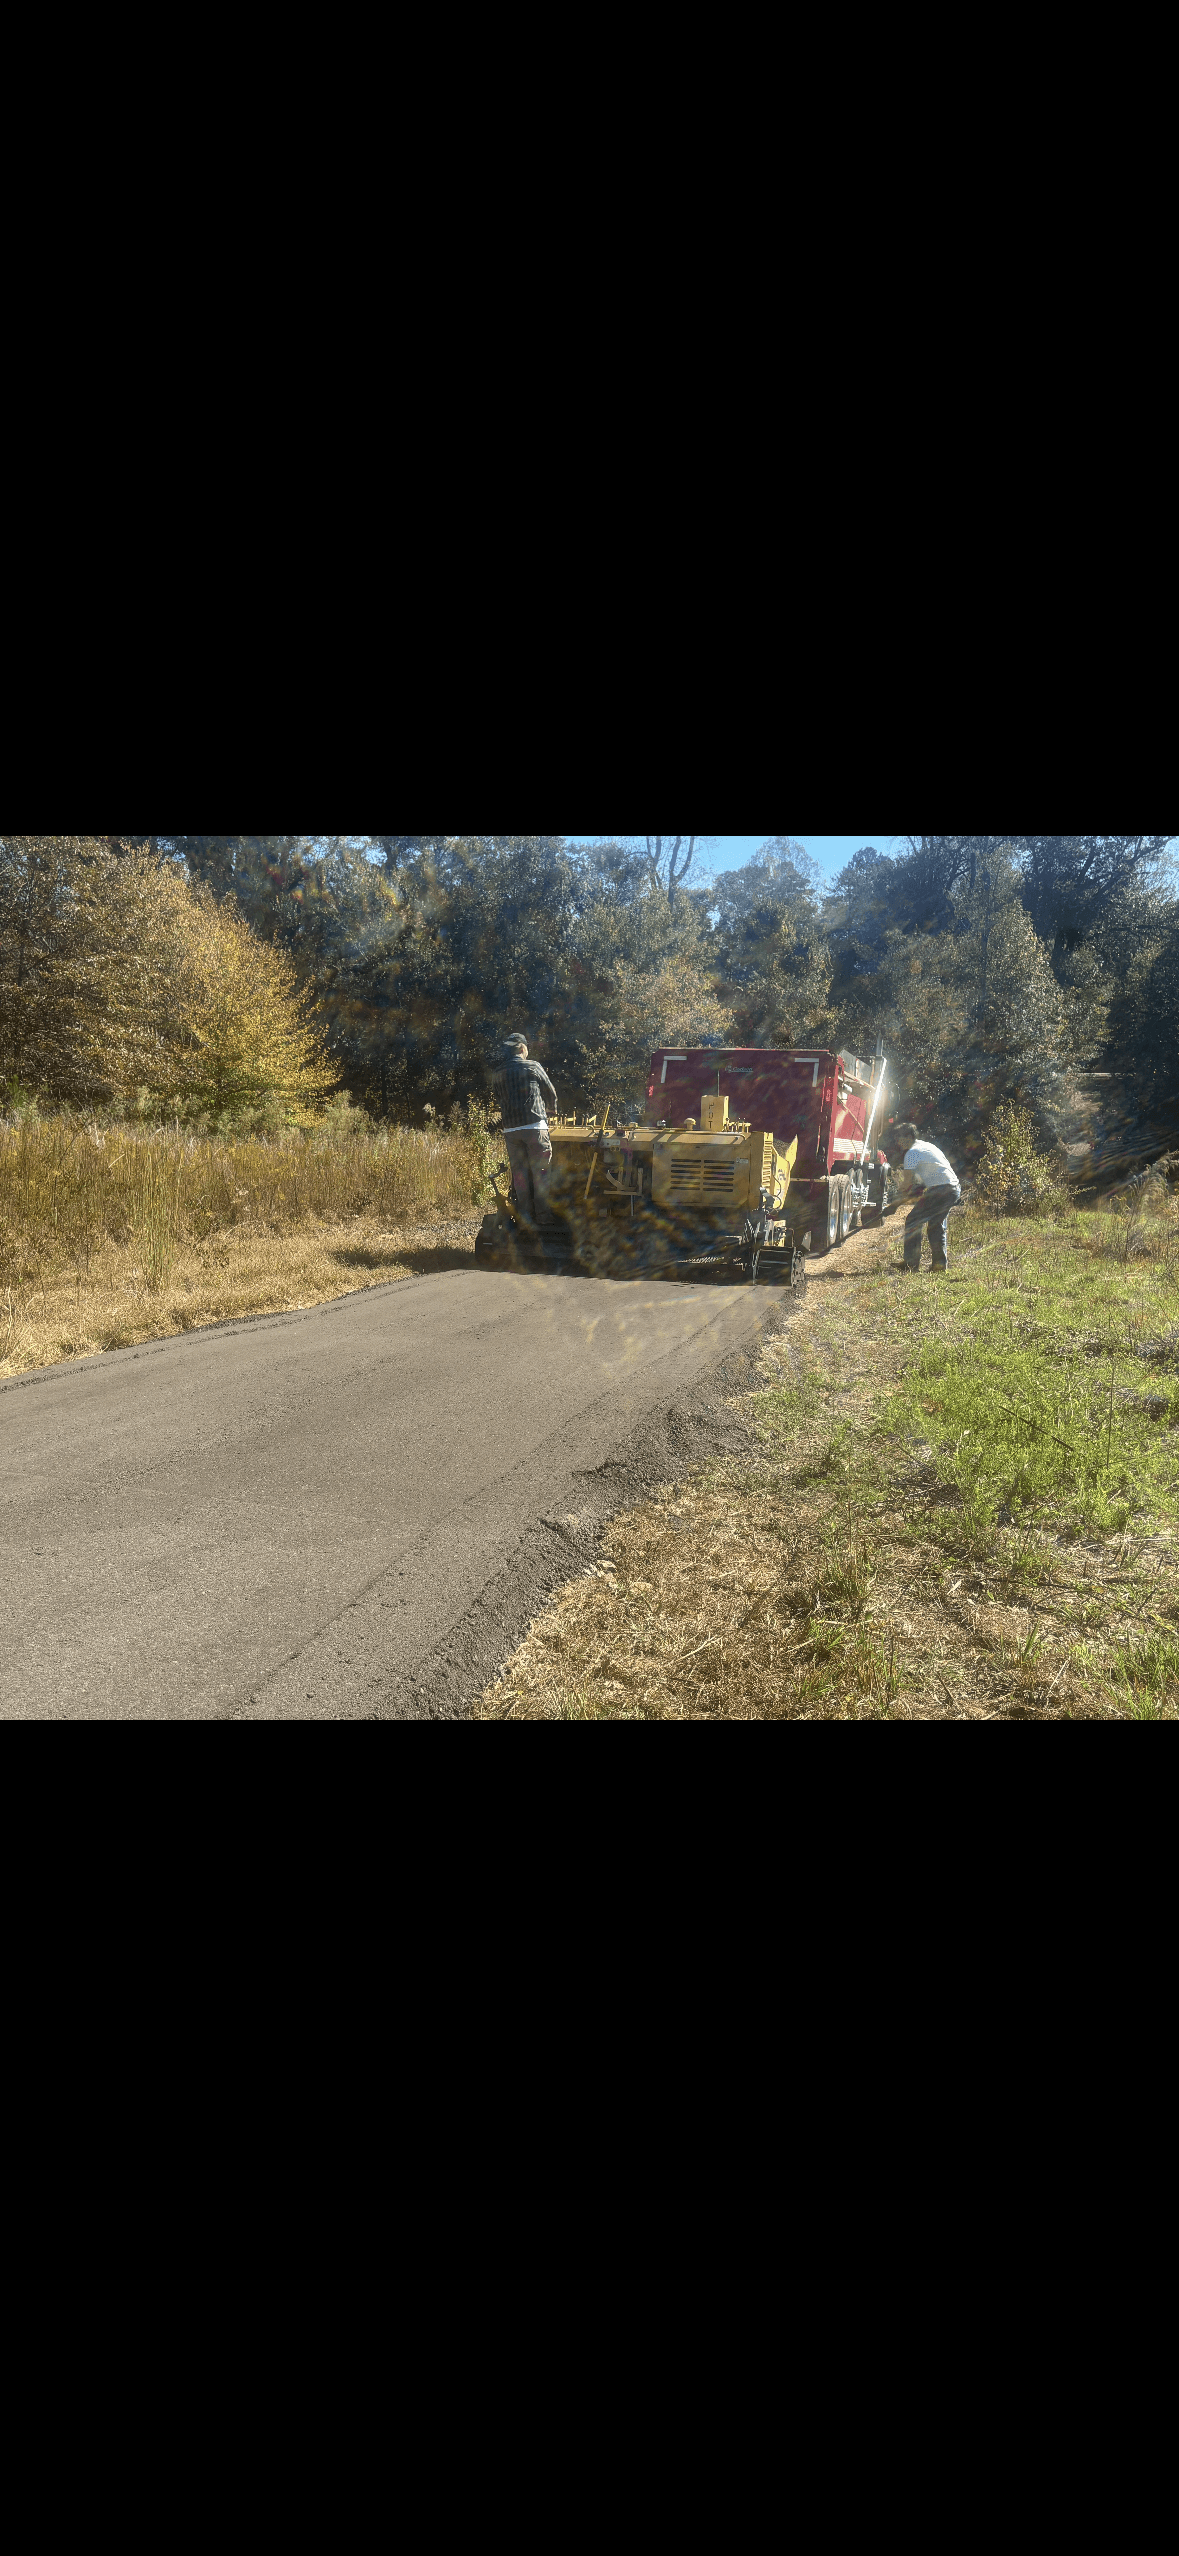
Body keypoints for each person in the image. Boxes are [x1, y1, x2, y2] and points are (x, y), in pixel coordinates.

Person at [495, 1034, 557, 1228]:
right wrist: (552, 1110)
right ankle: (544, 1218)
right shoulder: (533, 1066)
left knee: (519, 1176)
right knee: (541, 1173)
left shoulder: (498, 1072)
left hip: (511, 1130)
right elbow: (550, 1092)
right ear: (522, 1048)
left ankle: (525, 1220)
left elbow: (498, 1097)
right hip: (534, 1128)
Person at [888, 1121, 962, 1272]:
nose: (897, 1142)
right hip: (953, 1189)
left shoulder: (912, 1153)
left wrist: (894, 1204)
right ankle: (939, 1266)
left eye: (899, 1138)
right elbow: (923, 1180)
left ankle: (910, 1264)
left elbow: (907, 1184)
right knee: (936, 1226)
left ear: (908, 1136)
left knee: (913, 1221)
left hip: (941, 1190)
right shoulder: (928, 1146)